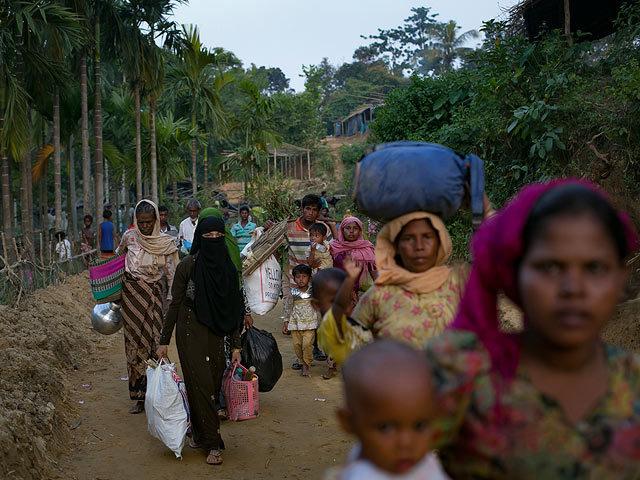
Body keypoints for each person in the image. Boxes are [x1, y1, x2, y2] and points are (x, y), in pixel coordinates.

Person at [427, 180, 640, 478]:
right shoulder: (461, 374)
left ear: (621, 276)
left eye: (595, 268)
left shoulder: (634, 383)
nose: (573, 289)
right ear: (515, 273)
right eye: (550, 267)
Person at [157, 216, 245, 465]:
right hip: (189, 332)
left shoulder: (228, 268)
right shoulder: (187, 266)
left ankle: (198, 431)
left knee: (212, 386)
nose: (214, 240)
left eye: (219, 236)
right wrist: (164, 341)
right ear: (199, 239)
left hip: (216, 334)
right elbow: (174, 304)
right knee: (201, 385)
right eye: (208, 236)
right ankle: (212, 444)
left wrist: (236, 345)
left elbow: (232, 309)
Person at [325, 340, 449, 480]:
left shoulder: (424, 461)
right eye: (386, 428)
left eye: (420, 426)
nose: (406, 443)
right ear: (348, 422)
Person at [116, 200, 178, 414]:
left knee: (155, 343)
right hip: (132, 297)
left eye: (148, 222)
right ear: (136, 221)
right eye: (140, 222)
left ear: (156, 220)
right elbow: (118, 256)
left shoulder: (165, 242)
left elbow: (171, 275)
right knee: (134, 344)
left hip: (154, 296)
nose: (144, 226)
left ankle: (157, 393)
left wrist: (171, 301)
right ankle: (139, 397)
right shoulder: (130, 236)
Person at [266, 194, 339, 366]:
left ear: (319, 211)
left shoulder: (323, 229)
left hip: (317, 281)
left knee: (316, 314)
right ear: (301, 209)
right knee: (300, 316)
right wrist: (268, 226)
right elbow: (273, 242)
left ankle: (313, 348)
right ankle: (301, 357)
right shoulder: (290, 228)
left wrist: (330, 224)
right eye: (308, 208)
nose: (311, 213)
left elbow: (334, 247)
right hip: (297, 282)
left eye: (315, 210)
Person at [282, 265, 320, 377]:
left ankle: (306, 364)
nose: (301, 279)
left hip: (310, 323)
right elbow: (288, 307)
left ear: (309, 278)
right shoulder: (293, 293)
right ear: (294, 279)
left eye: (304, 276)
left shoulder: (313, 291)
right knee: (297, 344)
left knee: (307, 344)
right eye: (298, 277)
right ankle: (301, 361)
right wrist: (286, 321)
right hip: (296, 324)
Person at [330, 216, 377, 301]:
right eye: (347, 228)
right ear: (342, 230)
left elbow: (375, 275)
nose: (351, 231)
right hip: (333, 292)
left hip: (353, 295)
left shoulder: (366, 250)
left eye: (355, 228)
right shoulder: (333, 247)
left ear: (360, 231)